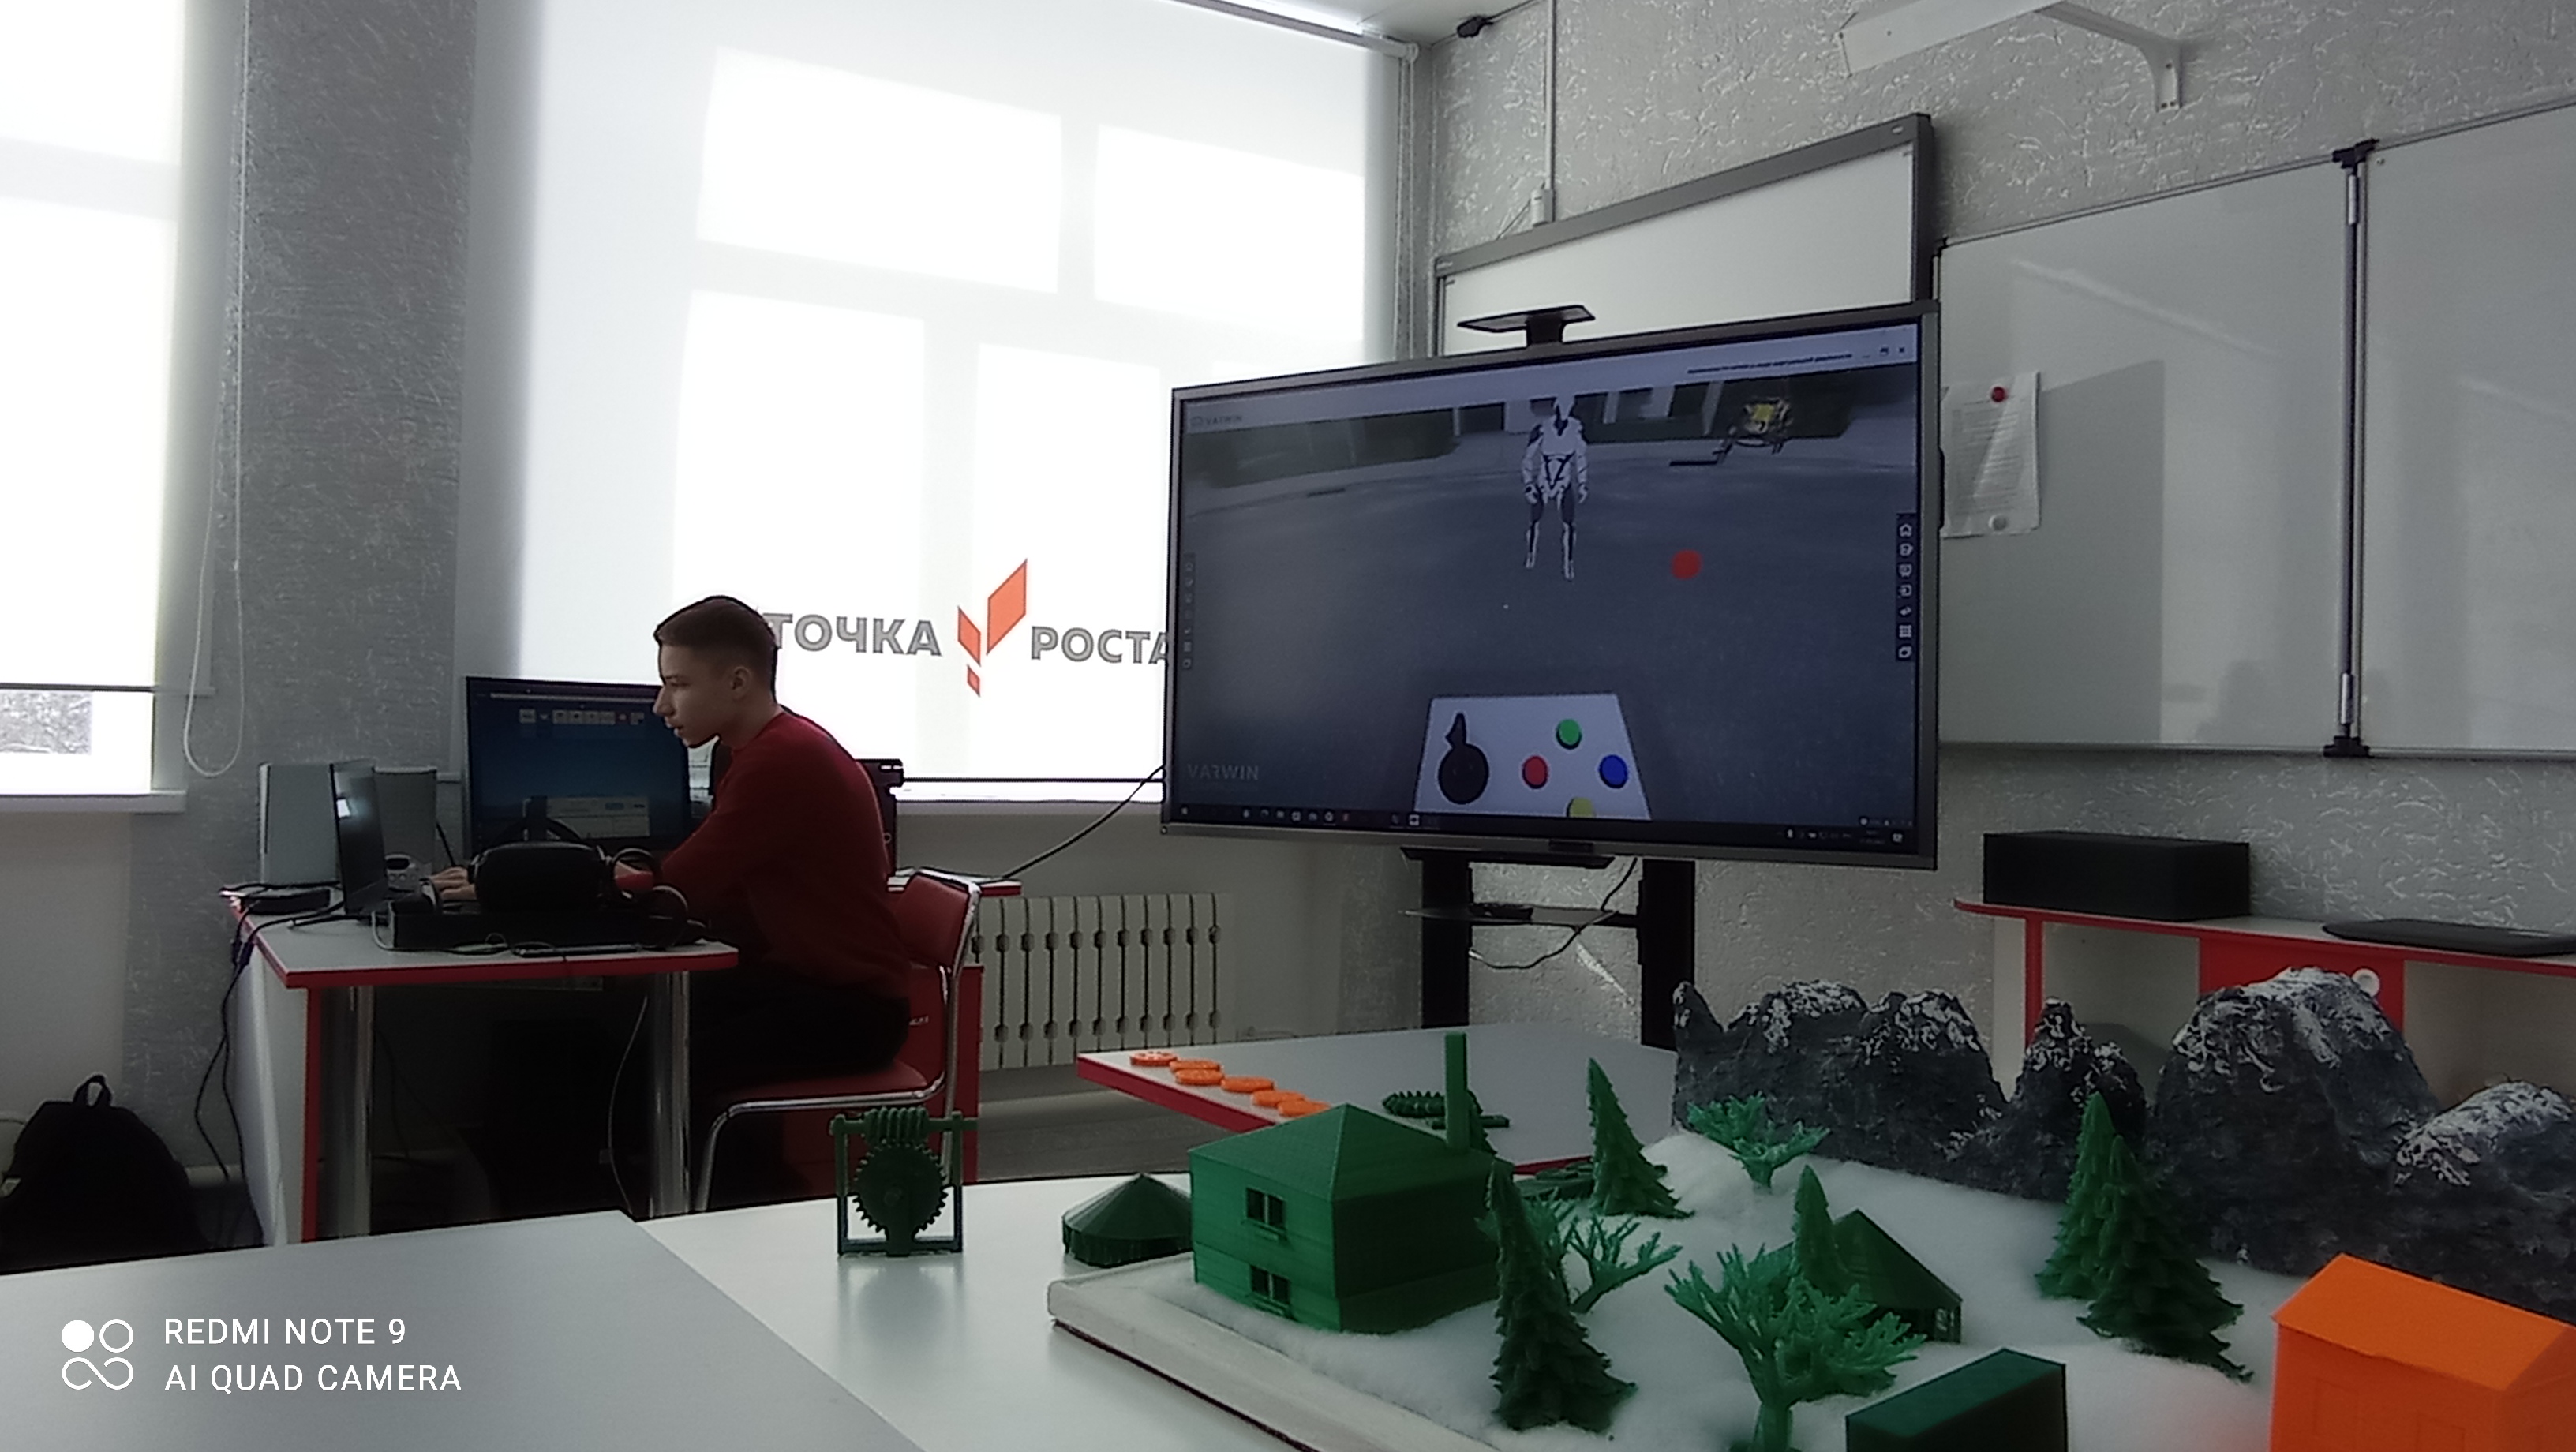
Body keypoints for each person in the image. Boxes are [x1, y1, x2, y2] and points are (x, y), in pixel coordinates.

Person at [436, 595, 915, 1199]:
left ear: (737, 682)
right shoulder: (755, 749)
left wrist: (513, 883)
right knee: (600, 1041)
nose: (661, 705)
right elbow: (705, 883)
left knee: (639, 1074)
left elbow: (678, 885)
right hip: (806, 987)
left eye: (677, 685)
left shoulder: (783, 760)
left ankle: (653, 1212)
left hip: (848, 1012)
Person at [1521, 397, 1590, 580]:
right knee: (1534, 521)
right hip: (1543, 481)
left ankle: (1568, 562)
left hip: (1563, 481)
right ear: (1556, 407)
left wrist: (1582, 483)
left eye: (1568, 406)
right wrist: (1528, 484)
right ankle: (1531, 554)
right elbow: (1527, 458)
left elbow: (1581, 458)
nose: (1564, 410)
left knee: (1569, 524)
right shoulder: (1542, 429)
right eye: (1562, 406)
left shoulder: (1576, 428)